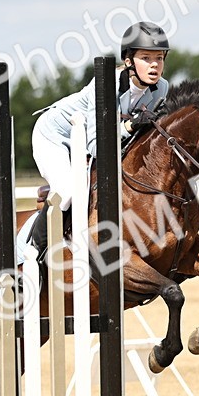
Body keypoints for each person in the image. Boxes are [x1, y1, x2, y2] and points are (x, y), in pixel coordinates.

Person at [27, 21, 171, 256]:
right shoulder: (106, 85)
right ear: (128, 61)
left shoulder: (161, 89)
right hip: (56, 135)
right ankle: (33, 251)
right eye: (146, 58)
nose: (154, 65)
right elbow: (96, 146)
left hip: (88, 140)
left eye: (159, 58)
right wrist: (130, 125)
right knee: (69, 189)